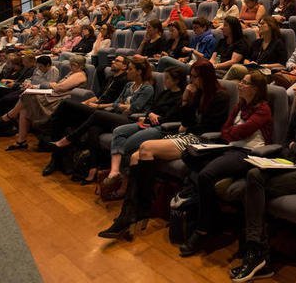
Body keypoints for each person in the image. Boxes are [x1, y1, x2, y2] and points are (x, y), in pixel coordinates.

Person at [98, 60, 229, 240]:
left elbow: (207, 126)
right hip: (188, 136)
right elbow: (188, 122)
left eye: (195, 77)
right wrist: (186, 100)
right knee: (136, 156)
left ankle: (138, 212)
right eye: (191, 76)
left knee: (145, 148)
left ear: (206, 76)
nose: (192, 81)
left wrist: (189, 108)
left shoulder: (220, 96)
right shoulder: (196, 93)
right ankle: (129, 215)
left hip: (203, 141)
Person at [230, 73, 296, 282]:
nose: (294, 86)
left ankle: (255, 252)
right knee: (253, 174)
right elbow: (287, 143)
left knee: (253, 188)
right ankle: (258, 251)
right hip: (293, 164)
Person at [179, 71, 273, 256]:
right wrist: (231, 133)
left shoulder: (263, 109)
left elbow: (243, 132)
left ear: (255, 89)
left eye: (244, 83)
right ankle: (214, 215)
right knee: (188, 154)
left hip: (247, 153)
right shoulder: (239, 106)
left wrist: (231, 132)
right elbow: (225, 130)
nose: (239, 85)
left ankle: (203, 228)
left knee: (205, 175)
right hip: (229, 148)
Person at [49, 56, 155, 184]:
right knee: (93, 129)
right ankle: (92, 168)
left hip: (130, 121)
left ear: (139, 71)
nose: (128, 71)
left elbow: (134, 108)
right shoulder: (129, 85)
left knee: (87, 111)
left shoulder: (147, 88)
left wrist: (121, 106)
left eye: (131, 69)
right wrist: (121, 106)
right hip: (115, 115)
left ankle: (67, 138)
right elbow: (117, 103)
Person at [99, 66, 186, 193]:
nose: (164, 81)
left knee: (128, 143)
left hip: (162, 128)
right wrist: (149, 114)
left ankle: (124, 182)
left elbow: (171, 117)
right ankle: (115, 171)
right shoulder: (165, 92)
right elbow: (151, 108)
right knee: (119, 131)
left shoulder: (180, 97)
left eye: (167, 78)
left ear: (176, 80)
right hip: (148, 122)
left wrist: (154, 117)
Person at [41, 55, 130, 176]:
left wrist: (97, 106)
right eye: (114, 60)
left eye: (117, 61)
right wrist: (85, 103)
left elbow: (117, 104)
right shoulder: (110, 78)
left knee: (66, 103)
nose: (113, 62)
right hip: (96, 107)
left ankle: (48, 130)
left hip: (105, 112)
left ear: (125, 66)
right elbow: (97, 96)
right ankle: (58, 160)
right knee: (67, 120)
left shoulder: (125, 81)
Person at [2, 55, 87, 151]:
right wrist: (54, 85)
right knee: (25, 107)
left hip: (61, 100)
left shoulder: (79, 75)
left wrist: (53, 84)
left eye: (72, 65)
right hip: (55, 95)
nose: (70, 67)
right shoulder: (72, 73)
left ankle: (10, 115)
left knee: (27, 95)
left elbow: (60, 87)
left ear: (77, 65)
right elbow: (58, 86)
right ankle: (21, 141)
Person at [224, 16, 288, 81]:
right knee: (235, 82)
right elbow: (246, 58)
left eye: (262, 24)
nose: (259, 26)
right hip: (252, 70)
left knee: (235, 68)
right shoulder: (257, 43)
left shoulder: (278, 43)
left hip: (267, 73)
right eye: (259, 24)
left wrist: (265, 66)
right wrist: (248, 63)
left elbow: (282, 64)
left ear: (271, 25)